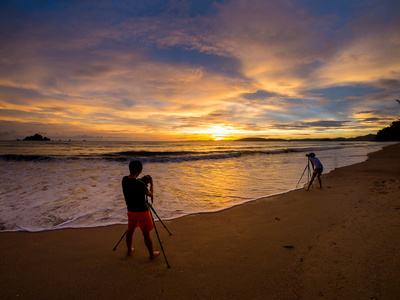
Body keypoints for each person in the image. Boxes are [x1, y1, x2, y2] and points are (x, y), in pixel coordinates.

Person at [122, 160, 160, 259]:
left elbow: (133, 184)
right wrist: (151, 184)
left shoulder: (124, 180)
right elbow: (150, 194)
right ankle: (151, 254)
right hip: (142, 212)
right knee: (146, 234)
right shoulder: (140, 185)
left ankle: (129, 250)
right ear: (139, 170)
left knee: (130, 231)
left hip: (131, 211)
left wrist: (141, 182)